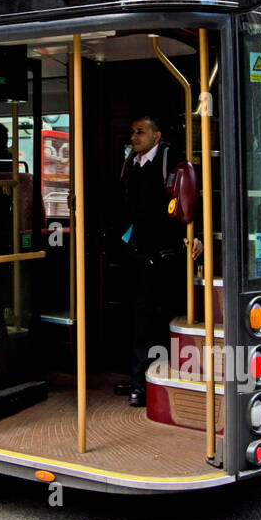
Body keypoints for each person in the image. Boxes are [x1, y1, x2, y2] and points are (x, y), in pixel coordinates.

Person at [113, 115, 202, 405]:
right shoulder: (131, 163)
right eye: (132, 132)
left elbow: (189, 200)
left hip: (161, 253)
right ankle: (138, 376)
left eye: (140, 132)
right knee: (133, 316)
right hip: (136, 250)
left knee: (148, 318)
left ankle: (143, 383)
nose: (134, 137)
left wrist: (194, 235)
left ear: (157, 135)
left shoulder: (170, 161)